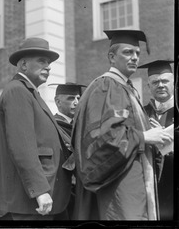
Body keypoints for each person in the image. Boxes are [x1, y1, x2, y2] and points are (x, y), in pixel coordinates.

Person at [71, 30, 173, 220]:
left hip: (133, 181)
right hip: (120, 185)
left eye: (137, 53)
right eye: (128, 52)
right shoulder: (107, 86)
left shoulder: (125, 87)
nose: (134, 57)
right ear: (111, 56)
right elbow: (103, 138)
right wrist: (144, 137)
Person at [0, 37, 72, 220]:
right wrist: (40, 190)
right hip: (31, 201)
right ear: (23, 65)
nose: (48, 66)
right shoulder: (17, 91)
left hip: (42, 197)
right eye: (42, 61)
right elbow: (22, 147)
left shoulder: (30, 92)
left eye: (49, 62)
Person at [139, 60, 174, 220]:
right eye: (155, 82)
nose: (160, 85)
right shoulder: (141, 114)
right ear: (148, 87)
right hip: (148, 186)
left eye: (165, 81)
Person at [51, 82, 87, 218]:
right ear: (58, 101)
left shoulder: (83, 125)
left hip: (83, 189)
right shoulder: (52, 125)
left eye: (78, 98)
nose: (76, 103)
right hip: (63, 191)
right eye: (71, 98)